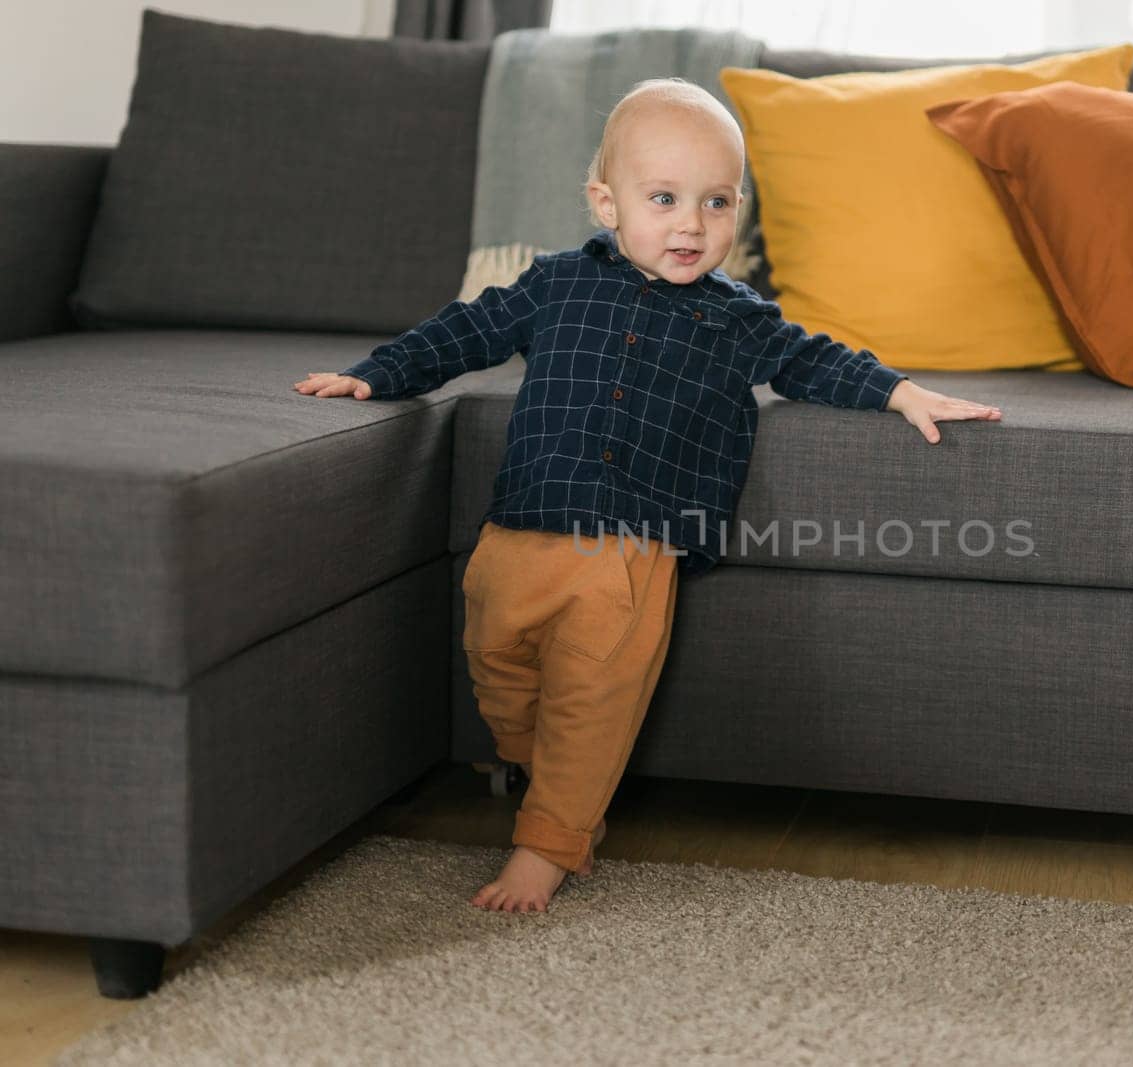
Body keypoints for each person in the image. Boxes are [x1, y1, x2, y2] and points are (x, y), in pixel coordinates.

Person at [292, 77, 1002, 913]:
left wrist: (899, 390)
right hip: (519, 526)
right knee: (495, 666)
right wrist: (374, 375)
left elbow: (813, 359)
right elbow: (465, 330)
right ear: (607, 202)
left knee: (593, 704)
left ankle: (548, 844)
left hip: (631, 549)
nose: (691, 225)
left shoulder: (737, 317)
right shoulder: (554, 283)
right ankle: (530, 763)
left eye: (716, 202)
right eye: (664, 199)